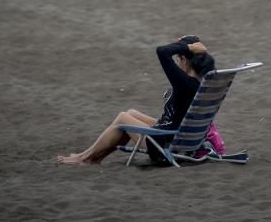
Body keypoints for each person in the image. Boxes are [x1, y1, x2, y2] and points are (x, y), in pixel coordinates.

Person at [57, 36, 215, 165]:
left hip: (165, 144)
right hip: (178, 136)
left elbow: (162, 51)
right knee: (132, 113)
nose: (177, 63)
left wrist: (187, 47)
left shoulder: (184, 84)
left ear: (184, 60)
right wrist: (188, 44)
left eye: (179, 59)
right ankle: (95, 157)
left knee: (122, 118)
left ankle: (84, 157)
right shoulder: (202, 83)